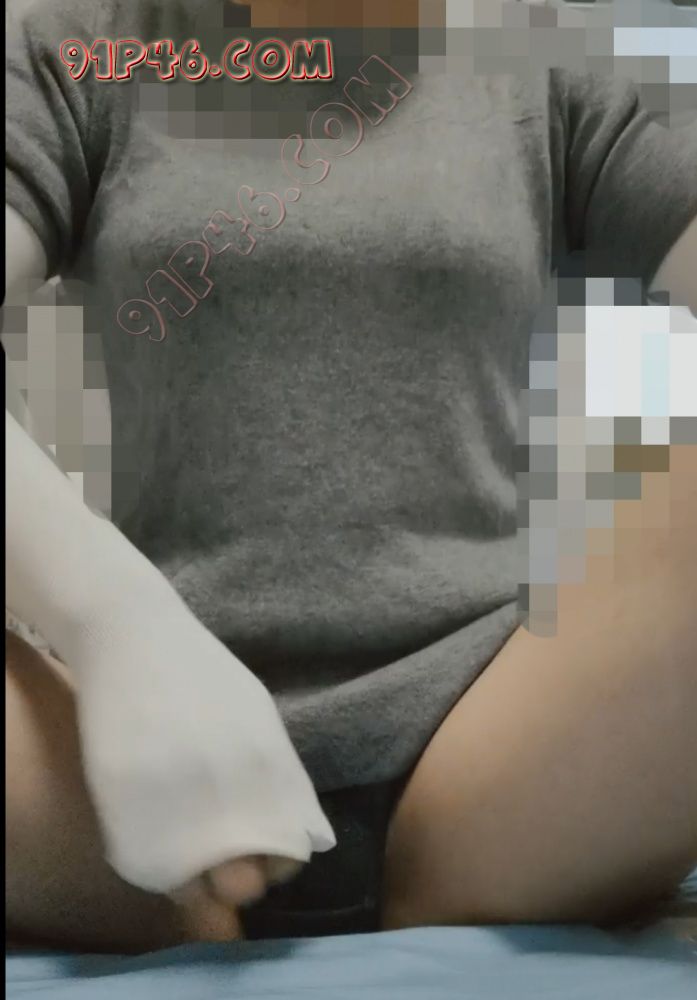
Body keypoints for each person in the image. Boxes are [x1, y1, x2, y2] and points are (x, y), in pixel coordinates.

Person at [5, 0, 697, 954]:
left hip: (502, 769)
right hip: (116, 800)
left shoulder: (539, 58)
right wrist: (112, 620)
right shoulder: (85, 52)